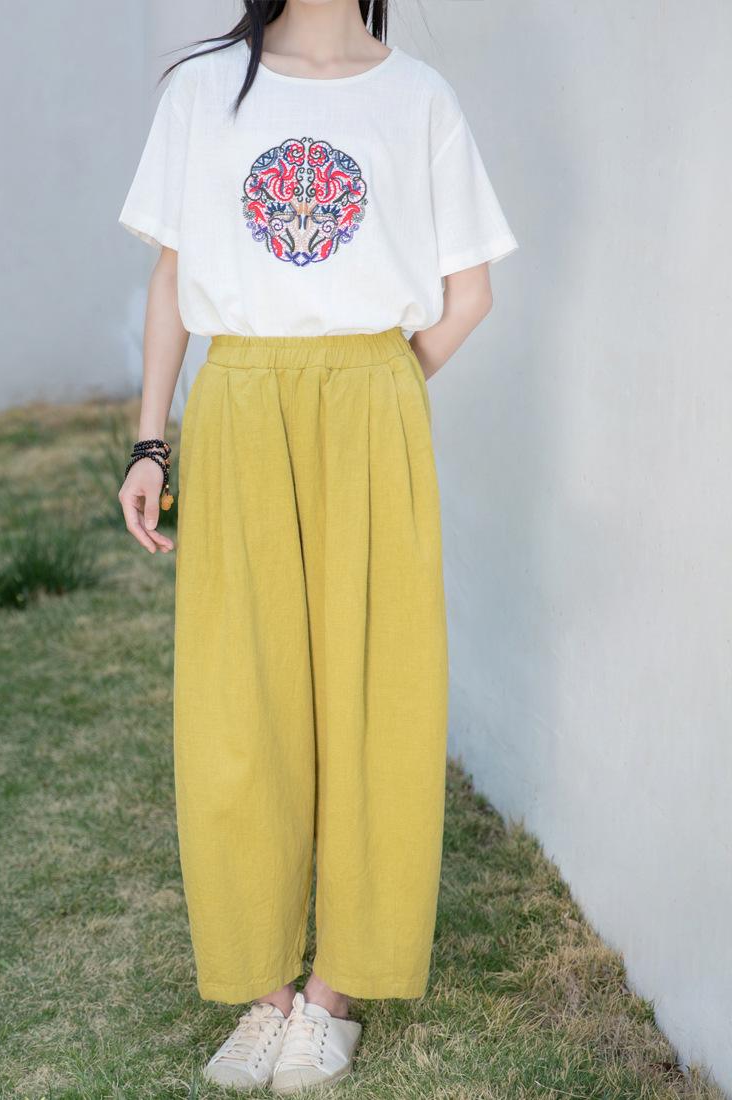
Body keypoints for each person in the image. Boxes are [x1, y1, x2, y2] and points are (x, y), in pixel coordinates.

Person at [117, 0, 517, 1092]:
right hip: (241, 398)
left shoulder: (418, 99)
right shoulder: (205, 90)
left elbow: (470, 290)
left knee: (375, 693)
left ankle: (334, 993)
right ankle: (264, 990)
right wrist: (151, 442)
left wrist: (376, 389)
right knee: (237, 694)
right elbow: (172, 277)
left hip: (368, 401)